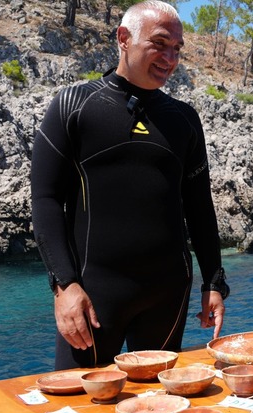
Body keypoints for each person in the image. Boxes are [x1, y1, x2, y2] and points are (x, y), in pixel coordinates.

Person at [31, 1, 229, 370]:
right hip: (91, 295)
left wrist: (214, 283)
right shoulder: (74, 105)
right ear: (124, 38)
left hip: (167, 294)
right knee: (78, 401)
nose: (170, 58)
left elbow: (200, 207)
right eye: (159, 44)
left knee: (159, 400)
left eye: (177, 49)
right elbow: (45, 199)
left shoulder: (184, 119)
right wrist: (64, 286)